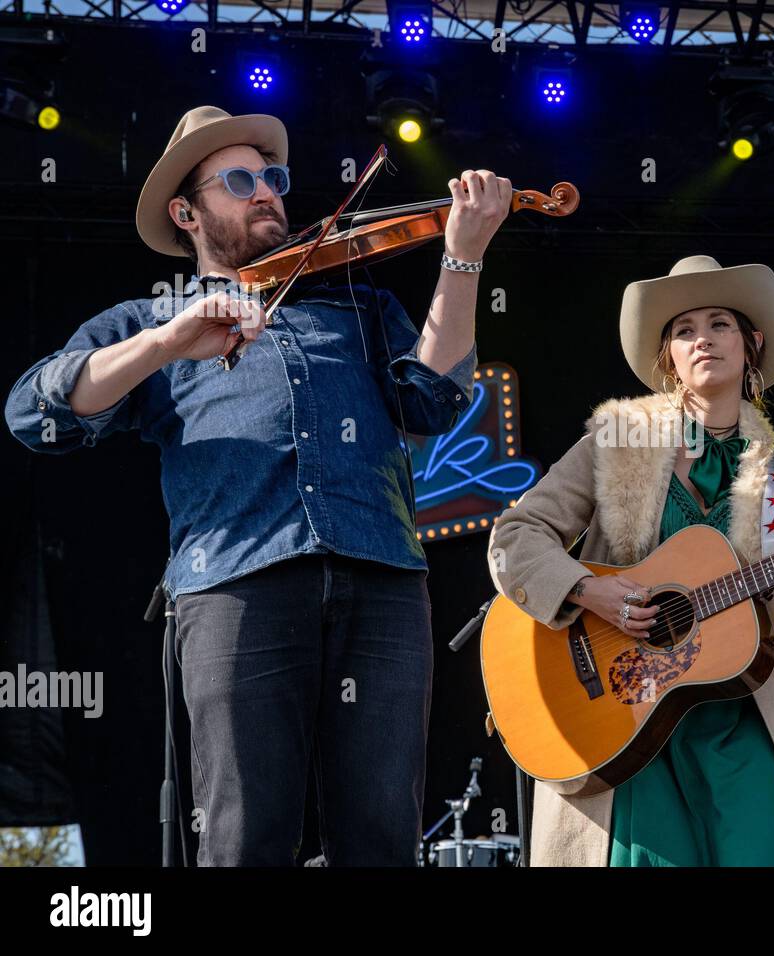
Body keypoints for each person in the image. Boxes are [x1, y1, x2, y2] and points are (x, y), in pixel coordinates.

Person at [5, 105, 511, 865]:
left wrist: (462, 255)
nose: (268, 192)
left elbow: (431, 401)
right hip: (236, 585)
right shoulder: (151, 320)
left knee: (382, 836)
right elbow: (34, 410)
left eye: (273, 177)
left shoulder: (359, 310)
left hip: (382, 580)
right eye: (239, 181)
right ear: (188, 211)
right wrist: (167, 343)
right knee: (245, 834)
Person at [488, 254, 774, 866]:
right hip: (624, 713)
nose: (702, 339)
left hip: (739, 717)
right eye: (684, 329)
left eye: (719, 323)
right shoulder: (616, 446)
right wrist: (589, 592)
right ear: (667, 357)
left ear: (751, 344)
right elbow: (516, 536)